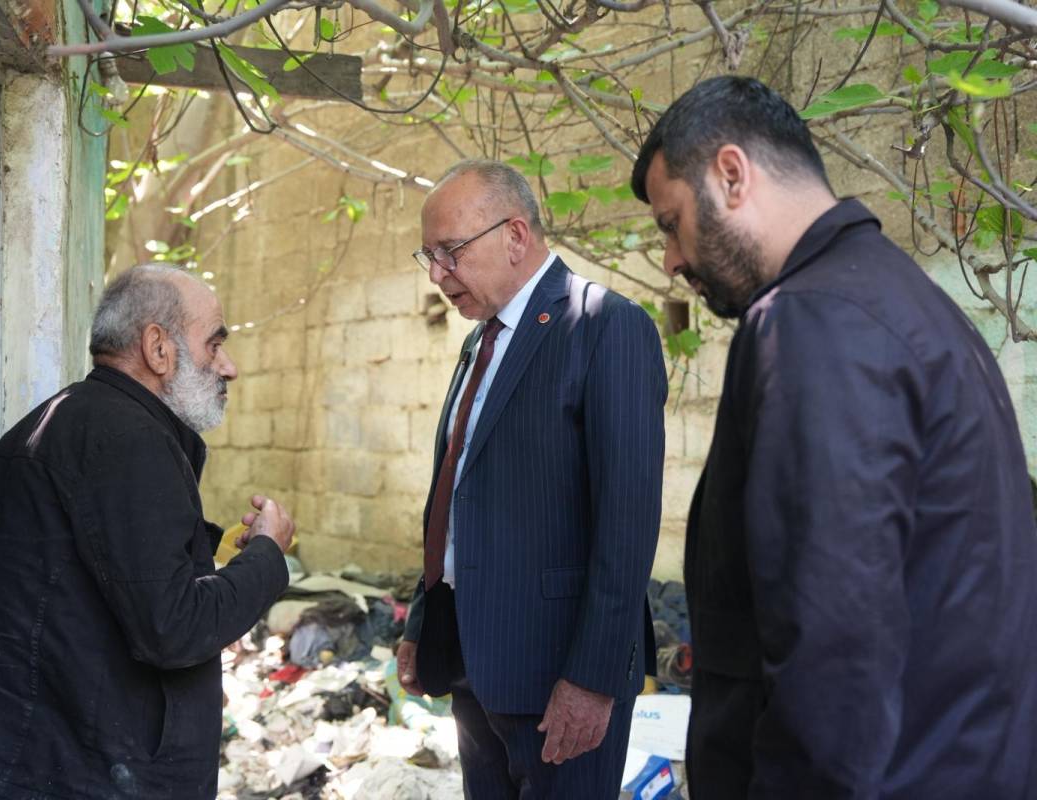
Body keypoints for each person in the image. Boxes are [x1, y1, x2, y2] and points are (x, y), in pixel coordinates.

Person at [631, 75, 1037, 798]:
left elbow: (832, 647)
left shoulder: (813, 322)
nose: (672, 259)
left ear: (731, 175)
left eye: (671, 223)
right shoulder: (906, 302)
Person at [0, 264, 295, 799]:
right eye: (214, 344)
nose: (229, 367)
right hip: (63, 772)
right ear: (158, 348)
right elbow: (173, 628)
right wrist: (268, 553)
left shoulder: (66, 419)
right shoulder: (126, 439)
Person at [396, 159, 667, 797]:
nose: (438, 275)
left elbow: (626, 523)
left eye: (451, 252)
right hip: (471, 665)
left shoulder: (605, 326)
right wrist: (420, 623)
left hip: (558, 680)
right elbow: (456, 494)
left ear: (516, 236)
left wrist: (593, 680)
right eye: (428, 255)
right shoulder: (480, 342)